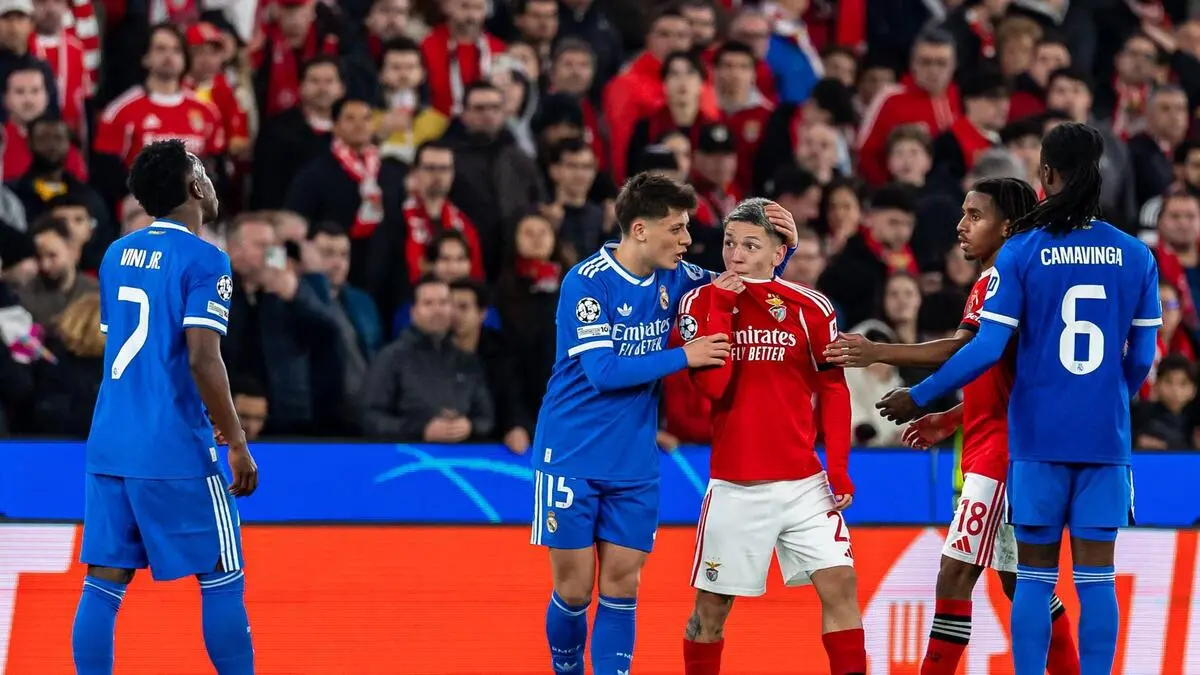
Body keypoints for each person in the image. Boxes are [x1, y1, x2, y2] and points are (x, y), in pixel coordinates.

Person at [876, 122, 1161, 675]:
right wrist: (1104, 402)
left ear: (1046, 174)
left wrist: (922, 395)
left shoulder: (1023, 252)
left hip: (1034, 441)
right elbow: (1141, 360)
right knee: (1097, 579)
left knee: (1031, 577)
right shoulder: (1135, 255)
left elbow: (986, 349)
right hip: (1104, 441)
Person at [533, 172, 798, 675]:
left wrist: (785, 248)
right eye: (676, 229)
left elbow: (749, 284)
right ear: (639, 230)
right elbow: (603, 372)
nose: (687, 240)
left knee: (623, 586)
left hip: (634, 461)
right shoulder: (587, 283)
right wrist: (686, 355)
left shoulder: (677, 277)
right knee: (574, 589)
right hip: (571, 453)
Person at [824, 177, 1081, 675]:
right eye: (963, 213)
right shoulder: (1016, 279)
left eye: (975, 216)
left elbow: (964, 348)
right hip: (1004, 446)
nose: (961, 225)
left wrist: (880, 353)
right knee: (1018, 582)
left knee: (955, 575)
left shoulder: (999, 280)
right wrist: (952, 417)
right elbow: (1011, 377)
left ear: (1007, 226)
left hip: (1001, 456)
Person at [70, 139, 258, 675]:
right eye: (204, 170)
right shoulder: (207, 259)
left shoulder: (115, 254)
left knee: (103, 581)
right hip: (173, 445)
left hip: (110, 441)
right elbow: (202, 357)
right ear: (195, 186)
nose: (211, 179)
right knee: (222, 572)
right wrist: (236, 440)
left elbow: (127, 347)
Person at [676, 197, 864, 675]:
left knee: (841, 587)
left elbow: (833, 388)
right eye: (729, 243)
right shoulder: (699, 303)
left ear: (779, 252)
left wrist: (839, 468)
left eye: (750, 245)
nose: (735, 254)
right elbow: (713, 387)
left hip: (804, 483)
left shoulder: (811, 306)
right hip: (737, 485)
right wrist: (723, 305)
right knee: (711, 611)